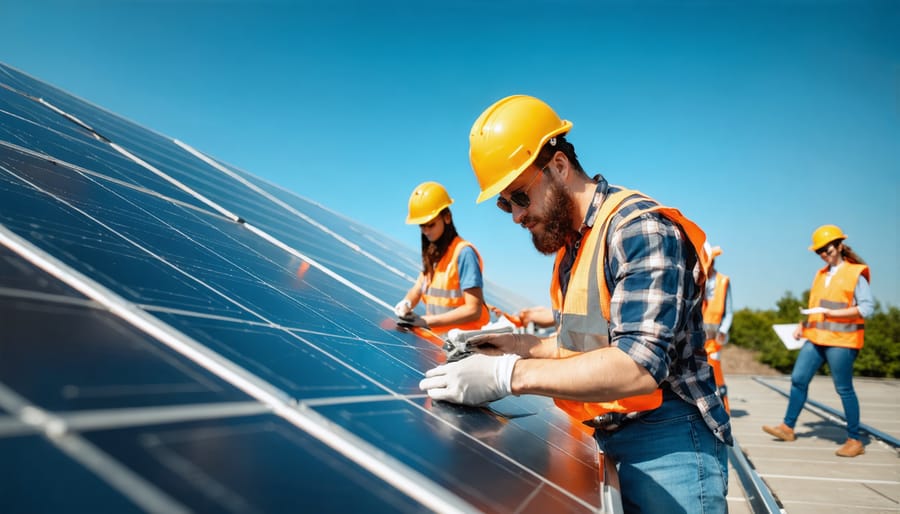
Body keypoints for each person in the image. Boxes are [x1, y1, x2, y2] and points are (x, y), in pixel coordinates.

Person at [419, 95, 731, 513]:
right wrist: (517, 345)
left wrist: (508, 374)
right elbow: (584, 344)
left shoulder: (638, 229)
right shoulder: (573, 247)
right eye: (504, 204)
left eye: (519, 196)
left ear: (560, 166)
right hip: (603, 429)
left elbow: (638, 367)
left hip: (667, 441)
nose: (515, 216)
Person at [762, 224, 873, 458]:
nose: (823, 254)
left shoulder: (855, 273)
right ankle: (787, 428)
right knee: (798, 379)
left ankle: (854, 440)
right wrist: (803, 326)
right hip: (816, 338)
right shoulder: (821, 275)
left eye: (827, 249)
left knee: (843, 389)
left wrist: (833, 314)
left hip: (842, 341)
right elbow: (816, 306)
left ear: (839, 246)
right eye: (819, 251)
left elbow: (866, 308)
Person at [394, 181, 491, 333]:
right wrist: (407, 303)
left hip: (462, 342)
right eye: (422, 226)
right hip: (438, 339)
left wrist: (425, 321)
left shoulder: (464, 253)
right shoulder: (434, 256)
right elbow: (418, 289)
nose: (426, 231)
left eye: (431, 224)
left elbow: (473, 310)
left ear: (447, 217)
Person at [703, 244, 733, 412]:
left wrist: (723, 330)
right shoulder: (698, 280)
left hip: (715, 340)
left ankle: (724, 408)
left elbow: (729, 312)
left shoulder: (723, 281)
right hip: (698, 339)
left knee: (715, 371)